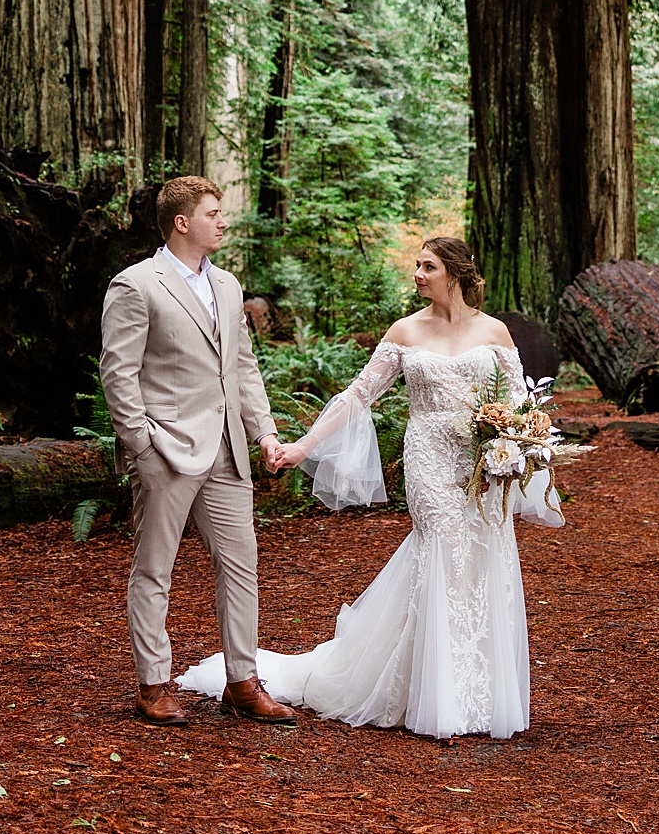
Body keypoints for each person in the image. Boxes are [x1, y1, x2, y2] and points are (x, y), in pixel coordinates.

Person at [174, 237, 543, 740]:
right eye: (416, 265)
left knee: (480, 556)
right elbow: (358, 397)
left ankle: (477, 690)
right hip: (430, 459)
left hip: (481, 465)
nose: (416, 273)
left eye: (427, 266)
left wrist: (515, 450)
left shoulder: (494, 331)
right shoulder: (406, 331)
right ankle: (439, 697)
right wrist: (303, 446)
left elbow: (521, 407)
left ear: (454, 274)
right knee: (442, 547)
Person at [97, 175, 296, 728]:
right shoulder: (136, 285)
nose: (222, 221)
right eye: (213, 213)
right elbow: (118, 373)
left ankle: (242, 681)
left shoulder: (229, 286)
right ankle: (153, 684)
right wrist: (142, 444)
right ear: (182, 223)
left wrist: (264, 433)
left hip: (228, 450)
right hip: (167, 451)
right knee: (154, 569)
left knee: (242, 567)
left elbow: (244, 367)